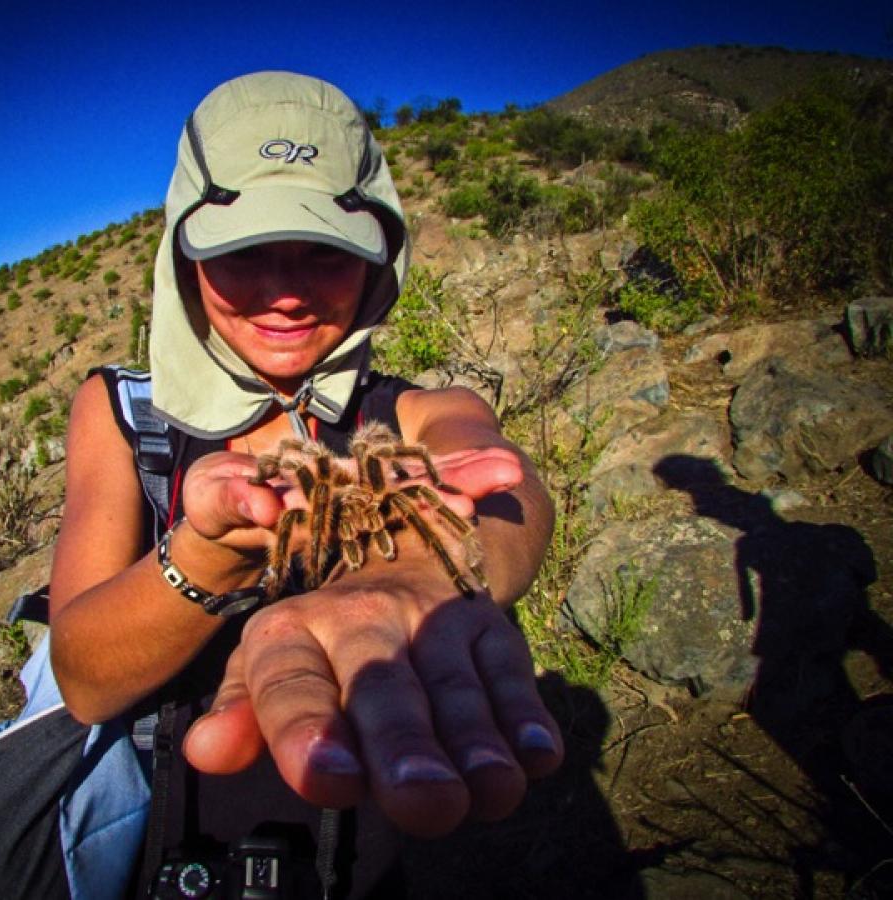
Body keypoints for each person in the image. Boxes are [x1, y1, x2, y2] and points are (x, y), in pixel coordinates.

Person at [47, 70, 563, 897]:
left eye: (324, 253)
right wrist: (211, 558)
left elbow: (503, 485)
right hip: (158, 847)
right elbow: (82, 676)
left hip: (362, 849)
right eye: (243, 252)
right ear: (184, 252)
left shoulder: (409, 411)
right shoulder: (119, 414)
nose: (284, 292)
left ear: (376, 258)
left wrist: (426, 573)